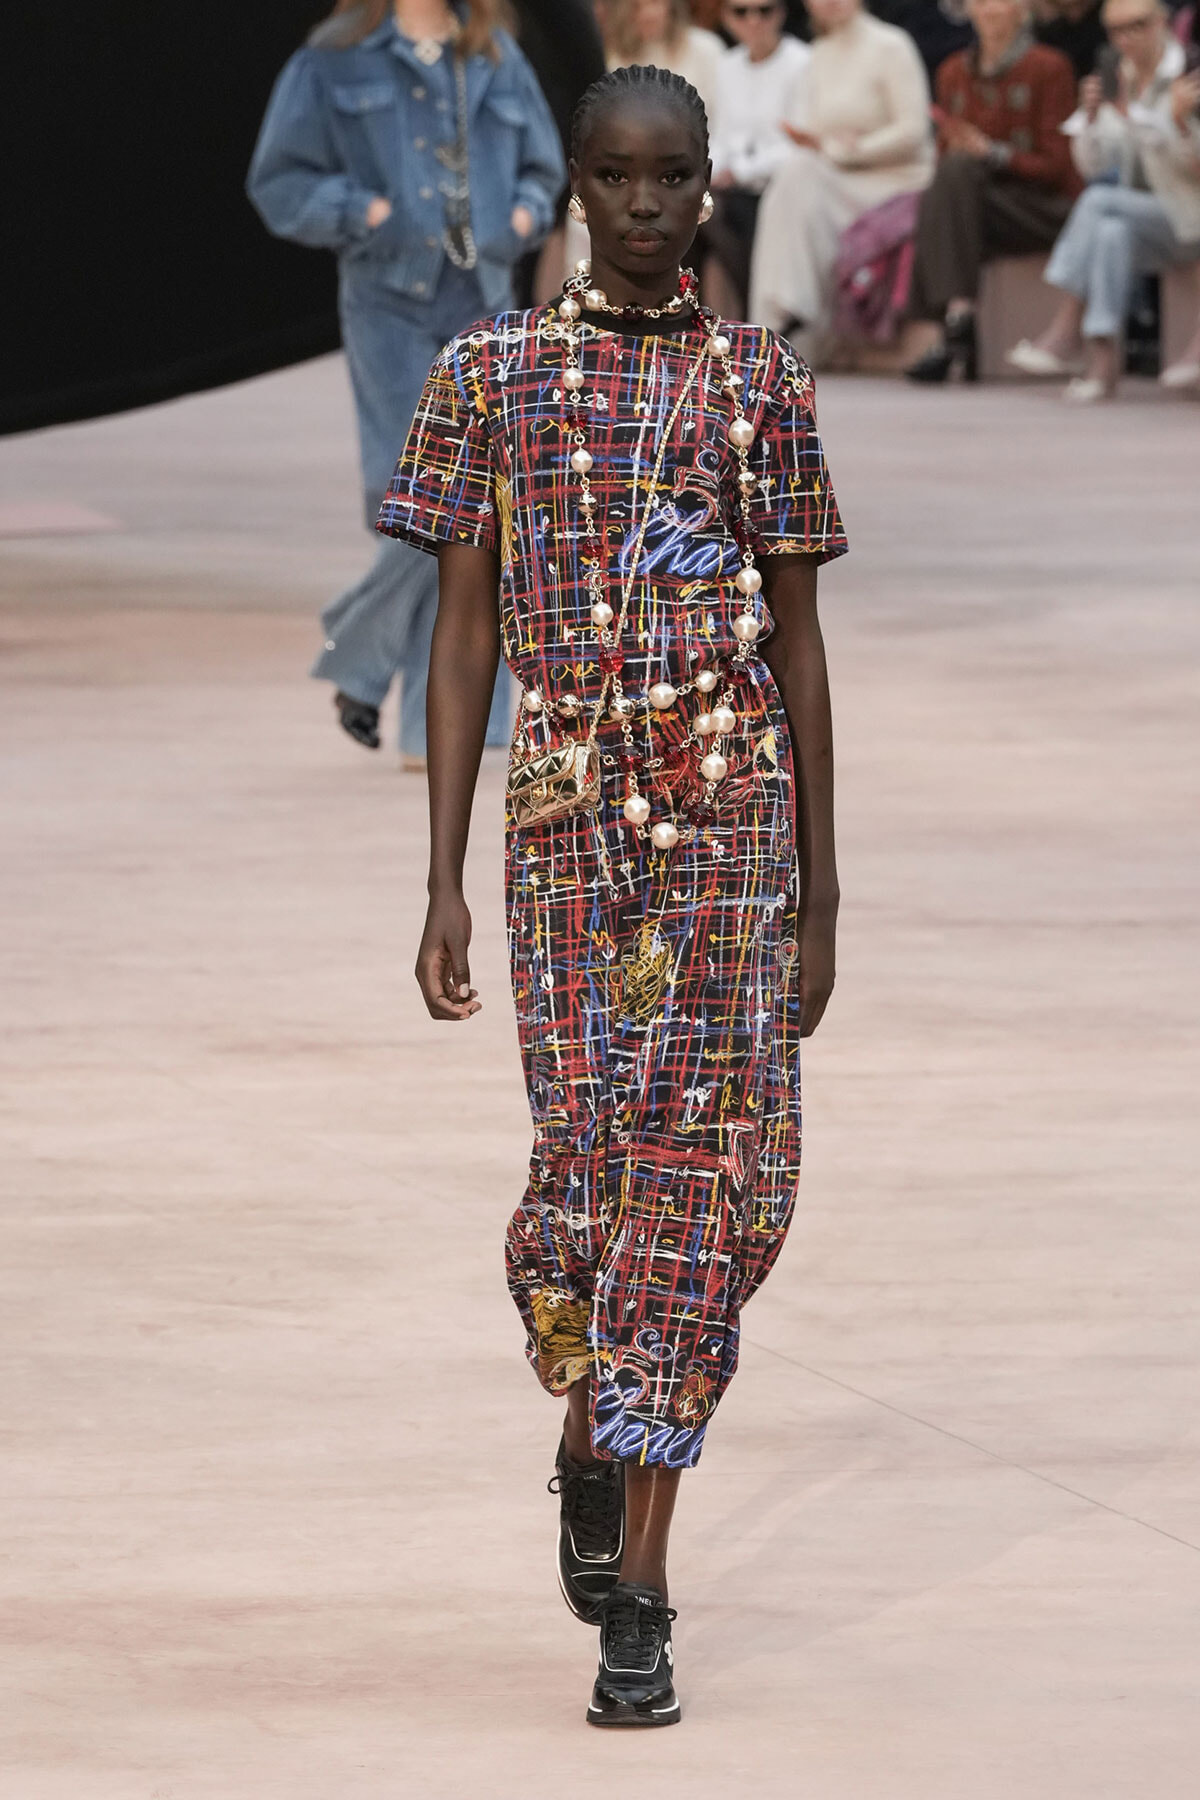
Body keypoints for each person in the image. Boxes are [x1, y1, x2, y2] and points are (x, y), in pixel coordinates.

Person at [378, 63, 845, 1725]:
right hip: (569, 845)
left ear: (710, 188)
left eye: (673, 180)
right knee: (585, 1189)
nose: (645, 207)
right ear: (575, 182)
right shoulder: (490, 377)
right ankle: (592, 1424)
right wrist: (438, 876)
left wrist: (823, 897)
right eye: (616, 178)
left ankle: (641, 1588)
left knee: (711, 1200)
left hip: (728, 840)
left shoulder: (759, 389)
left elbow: (795, 640)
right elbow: (462, 636)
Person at [247, 0, 563, 764]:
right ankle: (387, 678)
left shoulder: (492, 52)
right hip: (388, 304)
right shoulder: (334, 57)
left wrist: (519, 219)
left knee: (477, 508)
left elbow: (545, 167)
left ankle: (419, 708)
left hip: (481, 301)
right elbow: (279, 181)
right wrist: (368, 211)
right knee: (421, 499)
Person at [1006, 0, 1200, 399]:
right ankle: (1102, 363)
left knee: (1100, 203)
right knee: (1110, 228)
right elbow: (1095, 167)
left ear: (1162, 21)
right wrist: (1091, 121)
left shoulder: (1191, 73)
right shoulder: (1119, 77)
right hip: (1144, 217)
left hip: (1191, 215)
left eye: (1138, 26)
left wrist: (1179, 123)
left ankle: (1066, 327)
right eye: (1115, 30)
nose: (1126, 38)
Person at [904, 0, 1080, 382]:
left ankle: (950, 330)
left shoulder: (1049, 67)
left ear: (1023, 9)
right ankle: (959, 318)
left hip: (1043, 207)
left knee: (956, 176)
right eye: (979, 2)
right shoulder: (952, 71)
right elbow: (944, 159)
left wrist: (993, 154)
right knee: (950, 178)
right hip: (980, 206)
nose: (989, 10)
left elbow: (1057, 166)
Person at [750, 0, 934, 360]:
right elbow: (808, 128)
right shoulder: (818, 54)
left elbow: (915, 131)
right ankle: (783, 315)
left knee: (797, 179)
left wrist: (856, 148)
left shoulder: (891, 45)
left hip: (893, 182)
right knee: (794, 175)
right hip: (833, 178)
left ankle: (788, 318)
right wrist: (818, 143)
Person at [706, 1, 812, 312]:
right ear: (726, 18)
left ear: (781, 12)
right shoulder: (726, 65)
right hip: (731, 186)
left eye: (764, 10)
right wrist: (719, 169)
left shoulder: (802, 62)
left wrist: (739, 170)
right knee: (694, 206)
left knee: (712, 213)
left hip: (781, 187)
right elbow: (719, 133)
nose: (753, 21)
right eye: (741, 12)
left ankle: (752, 310)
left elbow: (798, 140)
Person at [603, 0, 726, 121]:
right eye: (636, 6)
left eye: (654, 2)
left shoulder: (706, 48)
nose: (648, 14)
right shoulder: (614, 58)